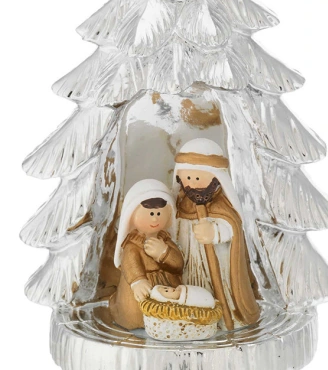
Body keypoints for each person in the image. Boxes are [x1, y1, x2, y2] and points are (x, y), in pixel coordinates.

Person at [174, 138, 261, 327]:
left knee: (220, 293)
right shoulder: (179, 205)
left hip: (220, 267)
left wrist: (215, 232)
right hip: (189, 265)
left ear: (216, 178)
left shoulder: (222, 205)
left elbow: (233, 226)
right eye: (187, 178)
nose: (192, 184)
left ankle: (225, 319)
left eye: (198, 178)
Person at [108, 179, 184, 330]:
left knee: (169, 314)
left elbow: (178, 265)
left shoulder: (165, 241)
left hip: (166, 286)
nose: (155, 218)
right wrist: (138, 281)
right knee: (136, 312)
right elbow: (130, 264)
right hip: (141, 288)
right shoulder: (132, 244)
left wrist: (164, 253)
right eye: (150, 213)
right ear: (132, 215)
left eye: (159, 213)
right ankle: (135, 321)